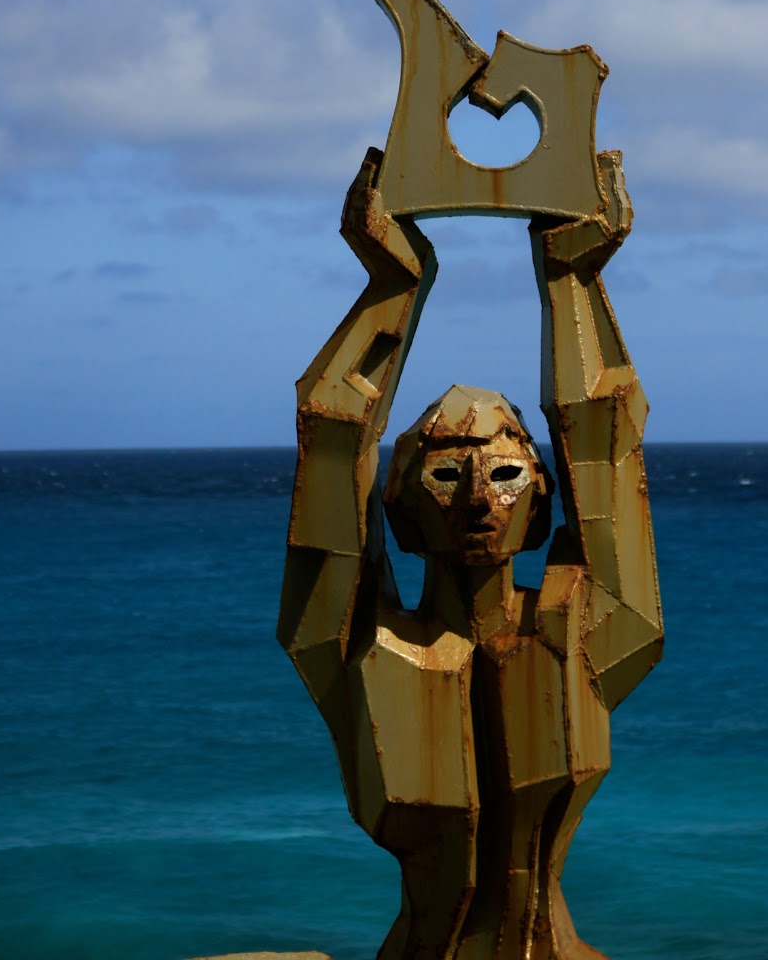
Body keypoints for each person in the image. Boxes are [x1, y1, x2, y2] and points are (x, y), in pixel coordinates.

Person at [278, 145, 663, 960]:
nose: (481, 501)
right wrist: (391, 286)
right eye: (449, 473)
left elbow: (603, 442)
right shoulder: (361, 656)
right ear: (404, 509)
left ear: (543, 502)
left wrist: (573, 280)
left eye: (510, 473)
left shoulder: (586, 638)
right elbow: (332, 440)